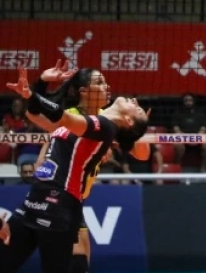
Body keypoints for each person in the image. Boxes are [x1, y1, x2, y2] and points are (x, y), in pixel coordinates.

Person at [0, 65, 149, 273]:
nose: (108, 87)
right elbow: (40, 114)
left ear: (128, 120)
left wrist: (139, 130)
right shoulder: (93, 121)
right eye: (100, 82)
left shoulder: (105, 125)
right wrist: (41, 82)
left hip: (65, 201)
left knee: (76, 262)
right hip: (38, 198)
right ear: (83, 91)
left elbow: (141, 153)